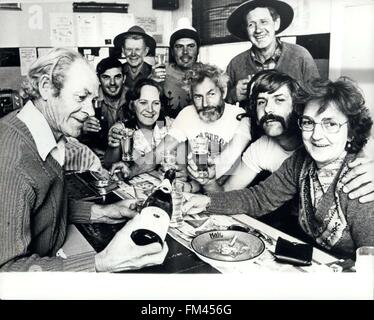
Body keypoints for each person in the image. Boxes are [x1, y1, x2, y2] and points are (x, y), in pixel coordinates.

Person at [0, 48, 168, 272]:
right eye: (81, 97)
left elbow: (43, 208)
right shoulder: (13, 160)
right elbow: (7, 272)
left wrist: (104, 212)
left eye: (93, 100)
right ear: (45, 88)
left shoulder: (48, 134)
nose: (90, 111)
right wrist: (101, 263)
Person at [183, 77, 374, 259]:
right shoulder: (301, 161)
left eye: (330, 124)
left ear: (351, 132)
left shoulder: (360, 180)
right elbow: (259, 198)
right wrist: (207, 201)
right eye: (308, 122)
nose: (316, 135)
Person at [188, 70, 374, 203]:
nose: (268, 109)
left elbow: (360, 140)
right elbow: (232, 196)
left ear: (297, 106)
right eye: (262, 102)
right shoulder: (262, 148)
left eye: (279, 100)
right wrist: (209, 182)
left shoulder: (320, 138)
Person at [111, 63, 252, 190]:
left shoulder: (240, 117)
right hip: (192, 188)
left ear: (224, 92)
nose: (205, 103)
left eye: (211, 94)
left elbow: (226, 163)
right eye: (198, 97)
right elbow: (158, 153)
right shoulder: (187, 114)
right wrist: (130, 171)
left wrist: (192, 186)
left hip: (225, 192)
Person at [225, 0, 320, 105]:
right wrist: (232, 95)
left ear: (276, 23)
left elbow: (318, 99)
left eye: (263, 22)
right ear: (246, 30)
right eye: (251, 24)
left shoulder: (300, 56)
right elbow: (219, 102)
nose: (258, 30)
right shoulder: (235, 64)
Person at [104, 78, 173, 167]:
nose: (150, 109)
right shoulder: (123, 130)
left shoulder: (166, 125)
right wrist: (114, 145)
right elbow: (109, 164)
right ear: (132, 105)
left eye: (156, 103)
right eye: (143, 102)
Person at [152, 18, 201, 118]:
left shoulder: (207, 74)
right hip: (167, 129)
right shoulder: (160, 73)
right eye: (179, 46)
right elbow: (154, 114)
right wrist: (152, 83)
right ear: (172, 52)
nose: (185, 52)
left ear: (198, 50)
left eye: (191, 46)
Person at [80, 56, 128, 151]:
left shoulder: (133, 98)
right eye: (106, 77)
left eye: (117, 77)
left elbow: (157, 123)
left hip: (127, 156)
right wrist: (81, 128)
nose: (112, 83)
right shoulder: (89, 100)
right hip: (97, 156)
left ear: (124, 78)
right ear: (98, 79)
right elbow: (69, 137)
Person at [113, 25, 156, 91]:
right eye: (129, 49)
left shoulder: (153, 74)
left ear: (146, 51)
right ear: (123, 51)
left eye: (137, 49)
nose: (133, 54)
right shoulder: (116, 72)